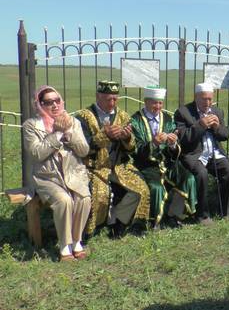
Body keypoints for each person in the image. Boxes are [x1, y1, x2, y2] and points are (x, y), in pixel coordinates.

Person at [23, 86, 91, 261]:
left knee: (84, 198)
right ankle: (64, 246)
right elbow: (36, 153)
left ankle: (76, 241)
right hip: (47, 178)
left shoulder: (73, 122)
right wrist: (57, 134)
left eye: (57, 100)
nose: (54, 105)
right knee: (64, 200)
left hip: (72, 174)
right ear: (39, 104)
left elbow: (84, 151)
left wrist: (69, 134)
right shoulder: (31, 126)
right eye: (48, 102)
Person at [76, 80, 150, 238]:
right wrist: (104, 136)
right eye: (108, 99)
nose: (112, 103)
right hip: (92, 167)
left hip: (118, 166)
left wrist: (126, 138)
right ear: (98, 96)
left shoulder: (123, 116)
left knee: (141, 189)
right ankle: (90, 231)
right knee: (100, 193)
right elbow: (81, 148)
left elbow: (131, 149)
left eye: (115, 99)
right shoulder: (83, 117)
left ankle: (119, 222)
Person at [130, 86, 198, 228]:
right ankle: (156, 221)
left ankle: (174, 215)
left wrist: (173, 144)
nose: (158, 107)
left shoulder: (167, 119)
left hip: (167, 162)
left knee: (188, 178)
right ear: (146, 102)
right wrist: (154, 143)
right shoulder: (135, 120)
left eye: (160, 103)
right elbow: (135, 149)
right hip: (146, 164)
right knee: (156, 187)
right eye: (154, 103)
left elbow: (174, 150)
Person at [174, 83, 229, 220]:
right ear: (196, 97)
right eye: (204, 99)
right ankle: (202, 214)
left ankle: (225, 212)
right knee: (201, 174)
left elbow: (225, 135)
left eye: (210, 99)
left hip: (214, 153)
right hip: (195, 154)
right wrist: (200, 125)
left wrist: (216, 127)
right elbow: (184, 138)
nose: (207, 102)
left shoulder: (217, 111)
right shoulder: (183, 112)